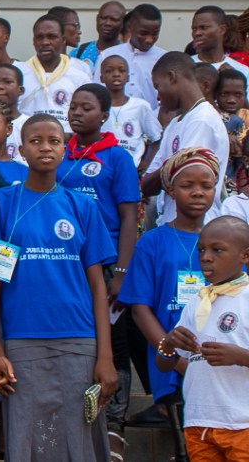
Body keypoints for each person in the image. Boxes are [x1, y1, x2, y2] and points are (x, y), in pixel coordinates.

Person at [0, 114, 118, 461]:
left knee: (80, 439)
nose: (45, 148)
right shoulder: (2, 204)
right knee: (29, 437)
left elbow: (98, 286)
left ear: (64, 148)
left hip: (79, 339)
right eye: (36, 141)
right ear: (21, 149)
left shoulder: (81, 206)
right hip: (22, 340)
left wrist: (105, 355)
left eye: (54, 141)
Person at [120, 148, 219, 462]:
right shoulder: (152, 242)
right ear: (171, 191)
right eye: (189, 185)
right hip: (170, 360)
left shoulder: (226, 240)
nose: (198, 192)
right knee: (185, 445)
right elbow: (139, 308)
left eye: (206, 185)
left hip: (217, 359)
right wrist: (172, 356)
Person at [58, 83, 142, 449]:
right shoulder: (60, 153)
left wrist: (122, 272)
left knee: (115, 343)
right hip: (65, 262)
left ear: (104, 115)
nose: (76, 112)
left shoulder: (117, 158)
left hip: (106, 262)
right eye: (73, 106)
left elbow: (128, 216)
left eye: (86, 108)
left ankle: (114, 424)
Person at [155, 216, 249, 460]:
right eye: (202, 250)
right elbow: (164, 364)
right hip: (199, 421)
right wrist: (170, 344)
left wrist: (240, 356)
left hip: (242, 424)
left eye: (217, 250)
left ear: (245, 256)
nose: (206, 257)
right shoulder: (197, 301)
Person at [144, 52, 230, 223]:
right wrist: (170, 167)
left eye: (158, 87)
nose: (158, 97)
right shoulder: (175, 123)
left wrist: (170, 168)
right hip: (170, 223)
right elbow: (147, 185)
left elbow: (185, 174)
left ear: (171, 77)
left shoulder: (202, 119)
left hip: (195, 228)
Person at [16, 15, 92, 132]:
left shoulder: (79, 75)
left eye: (52, 37)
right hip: (27, 142)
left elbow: (87, 115)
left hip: (66, 145)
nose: (45, 42)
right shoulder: (19, 73)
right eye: (39, 37)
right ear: (33, 41)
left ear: (63, 39)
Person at [95, 4, 166, 110]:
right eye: (143, 33)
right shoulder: (108, 55)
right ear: (130, 27)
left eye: (155, 34)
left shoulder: (164, 59)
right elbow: (97, 91)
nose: (149, 40)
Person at [100, 54, 162, 171]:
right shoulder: (97, 106)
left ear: (128, 77)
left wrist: (146, 162)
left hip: (130, 170)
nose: (116, 74)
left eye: (121, 70)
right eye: (109, 71)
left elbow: (156, 138)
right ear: (101, 78)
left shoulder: (140, 106)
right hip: (102, 169)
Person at [191, 5, 249, 77]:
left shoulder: (242, 71)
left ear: (222, 29)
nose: (197, 33)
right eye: (194, 29)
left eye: (203, 27)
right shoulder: (185, 67)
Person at [72, 1, 126, 69]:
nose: (107, 23)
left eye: (114, 19)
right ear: (97, 19)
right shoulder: (79, 52)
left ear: (123, 23)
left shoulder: (127, 54)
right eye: (103, 18)